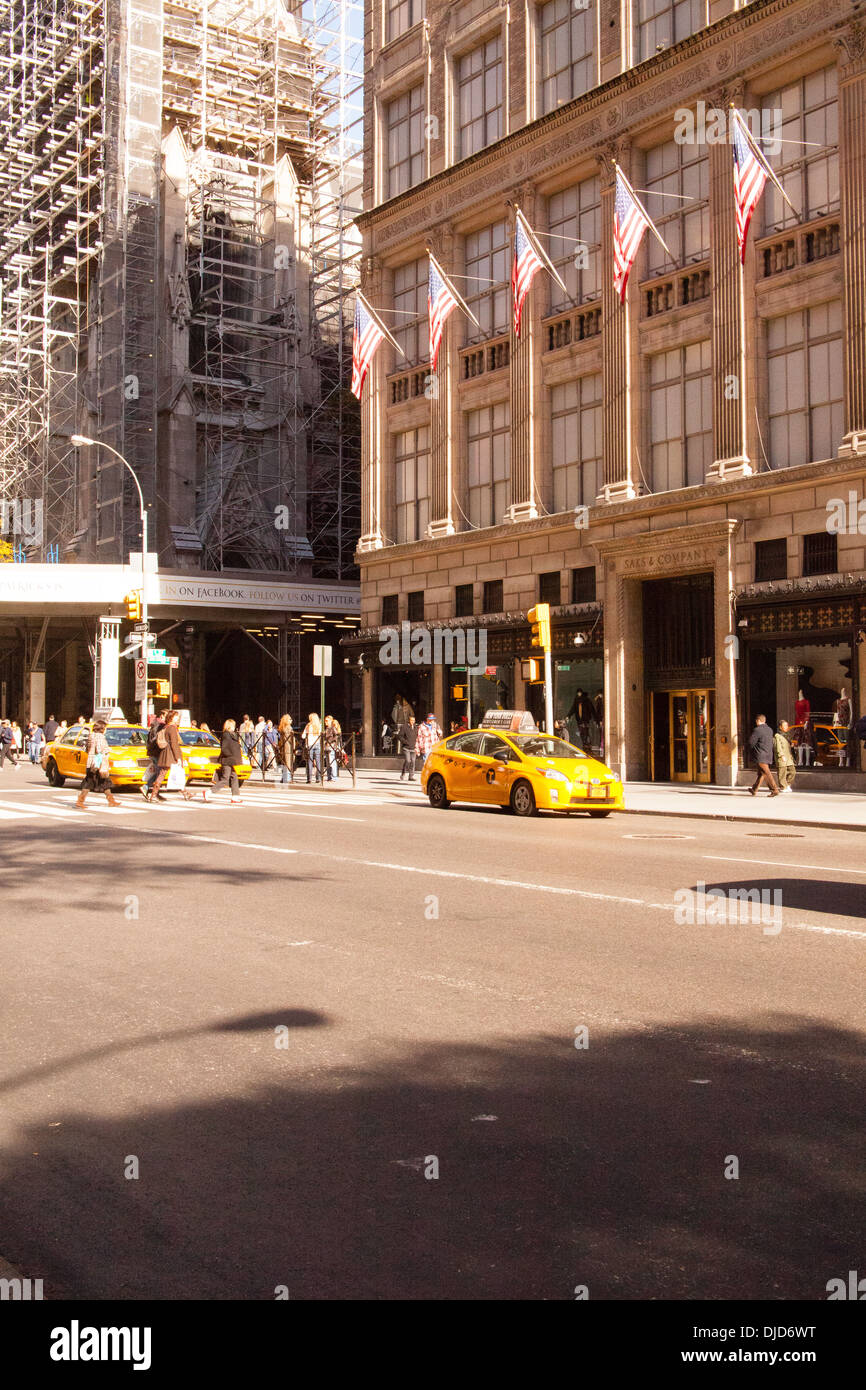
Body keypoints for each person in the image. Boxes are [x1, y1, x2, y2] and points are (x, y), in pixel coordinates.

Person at [75, 719, 119, 809]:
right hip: (98, 763)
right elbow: (99, 750)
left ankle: (111, 800)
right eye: (105, 728)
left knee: (101, 781)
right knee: (97, 781)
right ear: (102, 728)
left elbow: (86, 748)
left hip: (91, 762)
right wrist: (108, 750)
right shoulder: (100, 736)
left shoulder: (91, 736)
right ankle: (80, 801)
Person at [145, 710, 188, 802]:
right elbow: (174, 744)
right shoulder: (172, 728)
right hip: (170, 754)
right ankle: (154, 795)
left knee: (170, 773)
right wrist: (178, 758)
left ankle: (185, 793)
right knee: (166, 773)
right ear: (171, 717)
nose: (177, 718)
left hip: (165, 753)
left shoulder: (166, 727)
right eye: (176, 716)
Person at [204, 719, 243, 803]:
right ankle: (209, 792)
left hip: (230, 760)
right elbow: (225, 748)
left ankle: (235, 797)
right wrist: (231, 755)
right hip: (227, 760)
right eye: (233, 725)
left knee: (234, 777)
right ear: (230, 725)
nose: (234, 727)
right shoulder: (226, 735)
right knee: (225, 779)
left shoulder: (232, 735)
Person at [748, 714, 780, 797]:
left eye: (756, 721)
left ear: (758, 721)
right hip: (768, 754)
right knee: (762, 773)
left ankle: (774, 789)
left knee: (766, 772)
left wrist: (752, 749)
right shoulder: (770, 730)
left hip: (760, 755)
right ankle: (754, 789)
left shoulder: (757, 730)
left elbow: (751, 742)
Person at [142, 709, 167, 799]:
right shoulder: (160, 725)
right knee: (159, 773)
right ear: (162, 716)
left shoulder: (155, 724)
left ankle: (154, 791)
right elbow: (157, 740)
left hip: (153, 752)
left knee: (158, 772)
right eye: (166, 716)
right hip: (157, 752)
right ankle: (146, 787)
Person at [774, 720, 796, 793]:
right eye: (785, 726)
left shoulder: (787, 735)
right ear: (780, 727)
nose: (787, 727)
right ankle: (783, 787)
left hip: (789, 756)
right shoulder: (777, 736)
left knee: (792, 771)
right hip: (782, 757)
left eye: (787, 725)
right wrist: (781, 755)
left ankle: (787, 784)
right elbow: (778, 747)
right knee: (782, 773)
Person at [397, 713, 419, 780]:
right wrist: (405, 742)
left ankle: (411, 776)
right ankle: (403, 773)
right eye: (411, 720)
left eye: (413, 720)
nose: (412, 722)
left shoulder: (416, 727)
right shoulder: (404, 727)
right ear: (409, 720)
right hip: (406, 748)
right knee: (408, 760)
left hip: (413, 747)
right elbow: (400, 736)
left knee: (413, 762)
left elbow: (418, 736)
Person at [302, 713, 322, 783]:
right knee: (318, 762)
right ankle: (318, 778)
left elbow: (303, 736)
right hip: (317, 744)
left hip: (310, 744)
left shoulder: (308, 725)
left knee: (309, 762)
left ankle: (309, 778)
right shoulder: (319, 725)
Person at [276, 715, 295, 785]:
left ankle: (284, 778)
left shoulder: (282, 728)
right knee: (288, 762)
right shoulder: (288, 728)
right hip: (288, 747)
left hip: (283, 747)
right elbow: (290, 738)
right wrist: (294, 746)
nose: (291, 720)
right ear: (287, 720)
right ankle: (287, 778)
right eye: (290, 719)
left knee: (284, 762)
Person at [323, 714, 342, 782]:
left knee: (332, 761)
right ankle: (329, 776)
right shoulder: (327, 729)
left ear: (330, 721)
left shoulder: (332, 728)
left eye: (327, 721)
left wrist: (330, 742)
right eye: (325, 721)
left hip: (331, 746)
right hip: (327, 746)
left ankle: (334, 777)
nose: (325, 722)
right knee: (328, 762)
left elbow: (336, 736)